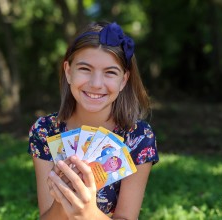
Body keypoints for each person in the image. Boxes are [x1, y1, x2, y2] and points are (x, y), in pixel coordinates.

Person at [28, 21, 159, 220]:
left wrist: (87, 211)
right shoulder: (45, 131)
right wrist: (64, 197)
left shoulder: (138, 137)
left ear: (123, 80)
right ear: (68, 71)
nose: (96, 84)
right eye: (85, 69)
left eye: (110, 72)